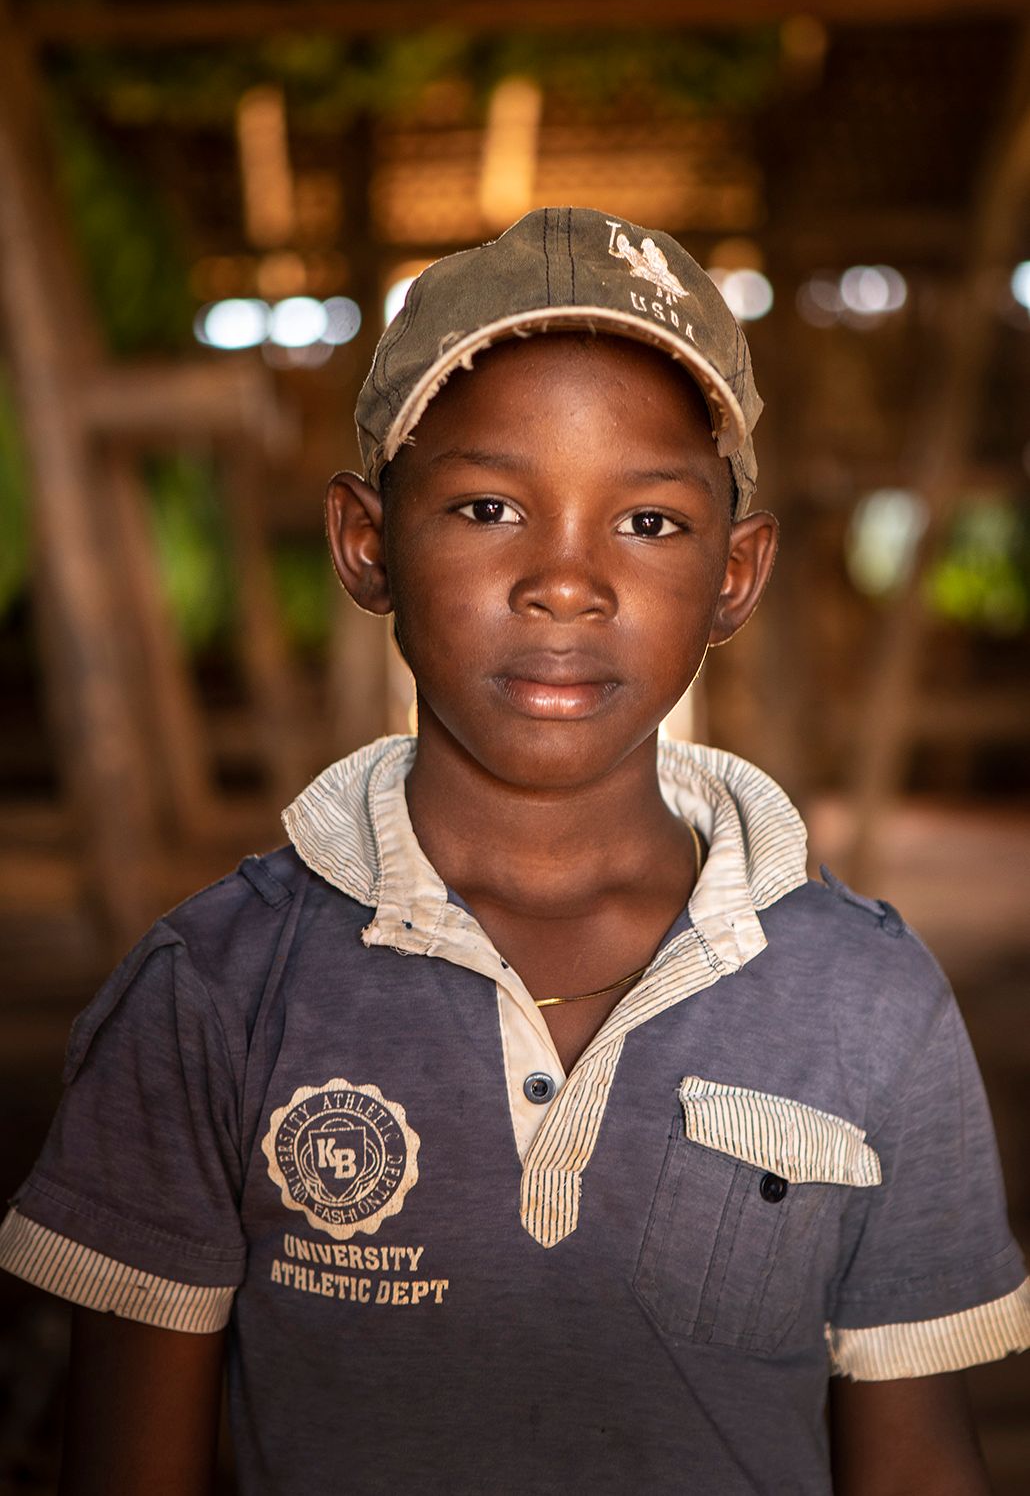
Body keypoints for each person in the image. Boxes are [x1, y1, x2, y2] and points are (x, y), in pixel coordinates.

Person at [2, 206, 1027, 1496]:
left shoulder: (869, 1002)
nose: (566, 580)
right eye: (490, 506)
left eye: (648, 522)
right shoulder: (211, 991)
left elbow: (920, 1457)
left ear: (736, 573)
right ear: (367, 544)